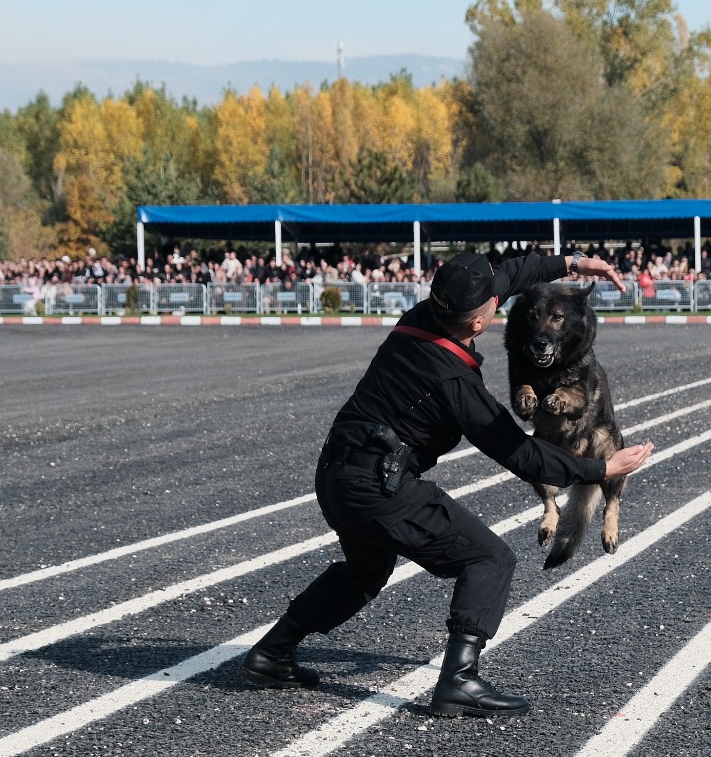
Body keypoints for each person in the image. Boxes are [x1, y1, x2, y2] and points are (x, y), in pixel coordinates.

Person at [241, 250, 655, 717]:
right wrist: (602, 471)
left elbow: (513, 274)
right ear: (477, 325)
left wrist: (574, 263)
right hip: (380, 486)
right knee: (489, 558)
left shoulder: (421, 316)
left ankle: (271, 654)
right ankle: (458, 682)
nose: (500, 302)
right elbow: (520, 453)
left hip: (335, 472)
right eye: (492, 305)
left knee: (365, 571)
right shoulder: (454, 380)